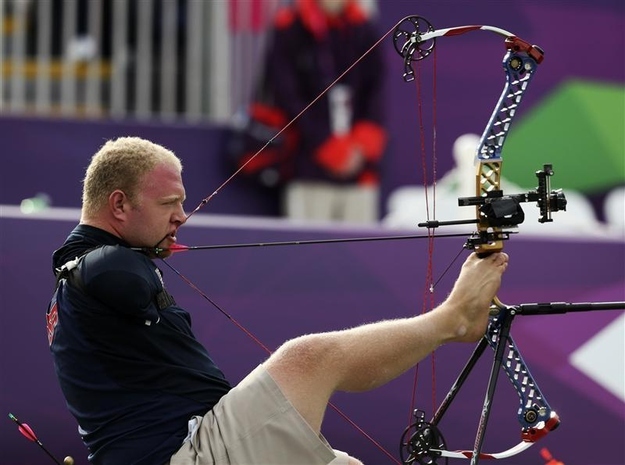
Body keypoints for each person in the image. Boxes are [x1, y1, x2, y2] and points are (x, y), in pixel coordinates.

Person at [47, 137, 509, 465]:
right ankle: (454, 319)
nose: (181, 216)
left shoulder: (101, 269)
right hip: (178, 455)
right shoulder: (92, 269)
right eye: (169, 202)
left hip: (197, 443)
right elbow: (108, 274)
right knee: (306, 359)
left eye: (183, 201)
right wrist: (137, 266)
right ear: (120, 206)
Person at [260, 0, 388, 224]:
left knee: (360, 253)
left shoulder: (363, 27)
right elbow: (286, 96)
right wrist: (323, 144)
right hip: (307, 169)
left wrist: (362, 145)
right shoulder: (291, 27)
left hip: (358, 171)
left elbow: (376, 91)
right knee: (307, 253)